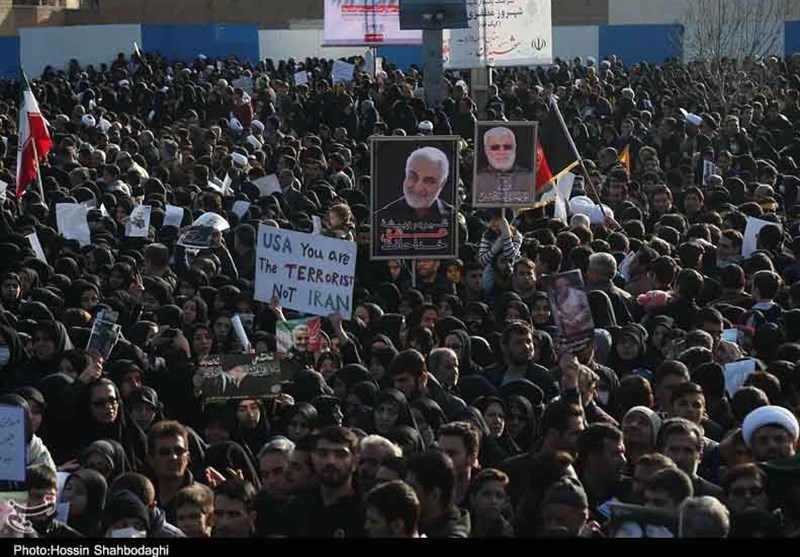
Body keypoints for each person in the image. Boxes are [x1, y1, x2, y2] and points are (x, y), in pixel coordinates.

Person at [375, 146, 454, 221]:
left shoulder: (453, 220)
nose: (418, 188)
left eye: (429, 182)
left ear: (442, 184)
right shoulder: (380, 219)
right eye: (412, 177)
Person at [474, 125, 535, 206]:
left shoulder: (529, 179)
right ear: (486, 150)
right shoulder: (478, 180)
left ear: (514, 148)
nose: (501, 152)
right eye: (495, 147)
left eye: (507, 147)